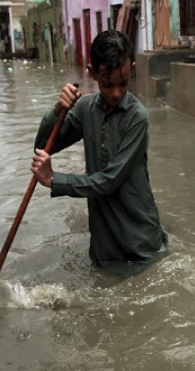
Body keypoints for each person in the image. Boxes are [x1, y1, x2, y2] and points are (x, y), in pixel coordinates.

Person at [31, 30, 168, 274]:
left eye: (123, 83)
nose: (116, 93)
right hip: (104, 242)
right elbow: (44, 147)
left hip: (139, 241)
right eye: (106, 85)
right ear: (92, 72)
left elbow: (109, 180)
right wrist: (57, 110)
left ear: (132, 69)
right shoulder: (85, 108)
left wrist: (55, 180)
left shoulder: (137, 117)